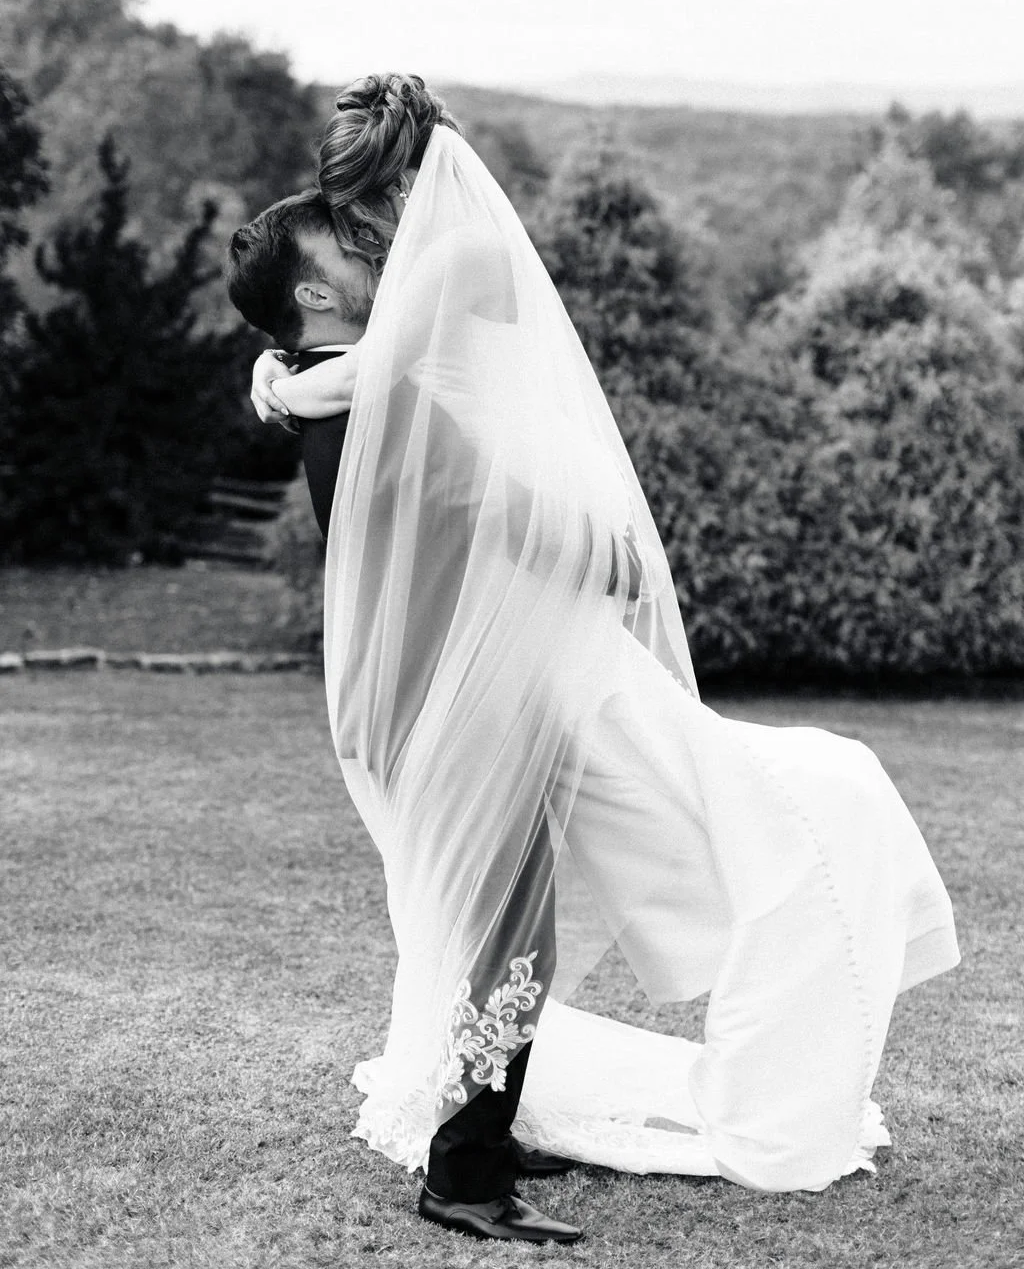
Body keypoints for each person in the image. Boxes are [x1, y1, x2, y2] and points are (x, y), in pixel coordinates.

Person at [227, 74, 960, 1243]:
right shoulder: (366, 406)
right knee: (503, 927)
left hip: (465, 699)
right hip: (467, 711)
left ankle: (477, 1139)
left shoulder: (331, 386)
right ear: (316, 290)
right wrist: (415, 153)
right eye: (354, 240)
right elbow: (494, 497)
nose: (381, 248)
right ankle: (462, 1179)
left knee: (487, 923)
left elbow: (466, 310)